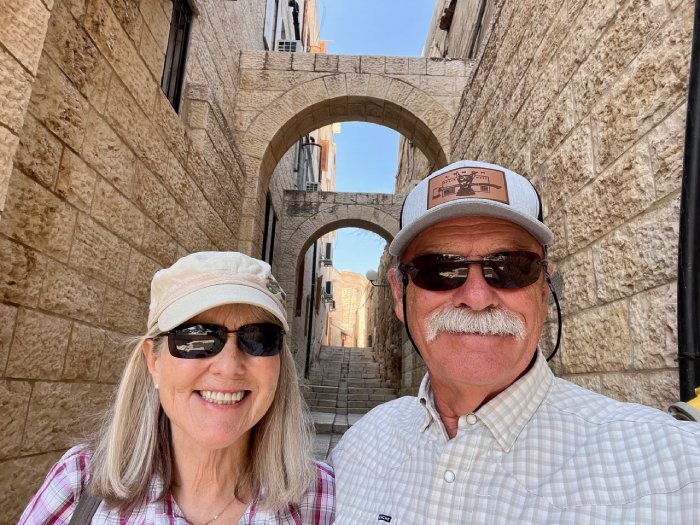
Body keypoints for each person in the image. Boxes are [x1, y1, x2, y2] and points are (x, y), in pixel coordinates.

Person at [330, 160, 700, 523]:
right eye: (441, 268)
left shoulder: (675, 471)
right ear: (399, 293)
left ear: (544, 288)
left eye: (510, 266)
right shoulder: (360, 448)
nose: (476, 297)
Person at [19, 252, 335, 524]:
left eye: (260, 338)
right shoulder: (78, 485)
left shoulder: (326, 501)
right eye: (195, 337)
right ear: (153, 361)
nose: (228, 367)